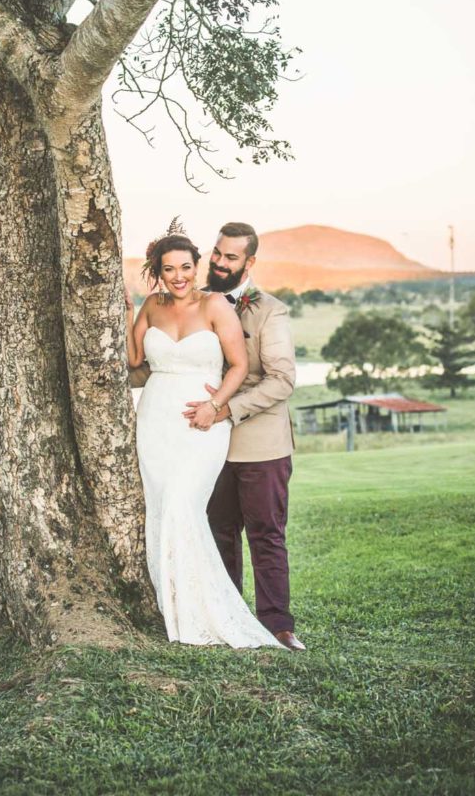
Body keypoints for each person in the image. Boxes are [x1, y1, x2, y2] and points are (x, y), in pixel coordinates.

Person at [125, 223, 281, 648]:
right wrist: (125, 310)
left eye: (185, 267)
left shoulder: (215, 305)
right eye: (168, 269)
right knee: (161, 508)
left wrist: (215, 406)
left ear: (197, 266)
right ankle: (173, 606)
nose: (178, 276)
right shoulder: (151, 305)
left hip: (204, 423)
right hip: (155, 420)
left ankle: (206, 609)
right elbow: (135, 359)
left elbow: (239, 366)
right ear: (158, 272)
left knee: (183, 503)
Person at [183, 222, 305, 652]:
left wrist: (226, 408)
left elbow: (281, 380)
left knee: (266, 535)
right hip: (206, 445)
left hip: (261, 445)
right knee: (218, 532)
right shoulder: (194, 303)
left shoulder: (270, 311)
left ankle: (278, 626)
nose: (219, 262)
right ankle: (228, 618)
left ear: (249, 262)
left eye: (230, 257)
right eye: (217, 253)